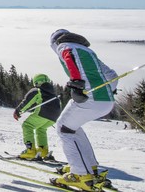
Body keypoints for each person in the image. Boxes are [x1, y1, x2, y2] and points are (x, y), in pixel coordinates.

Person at [49, 29, 118, 191]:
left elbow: (69, 58)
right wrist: (111, 90)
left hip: (89, 98)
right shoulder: (88, 50)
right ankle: (89, 167)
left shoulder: (64, 45)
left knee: (63, 128)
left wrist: (76, 82)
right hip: (106, 100)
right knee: (72, 127)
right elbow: (111, 75)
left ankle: (81, 174)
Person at [13, 73, 61, 161]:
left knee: (27, 125)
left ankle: (30, 151)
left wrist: (18, 111)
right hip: (54, 117)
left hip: (43, 113)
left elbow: (27, 102)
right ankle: (43, 150)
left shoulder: (37, 90)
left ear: (36, 82)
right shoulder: (53, 94)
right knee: (41, 129)